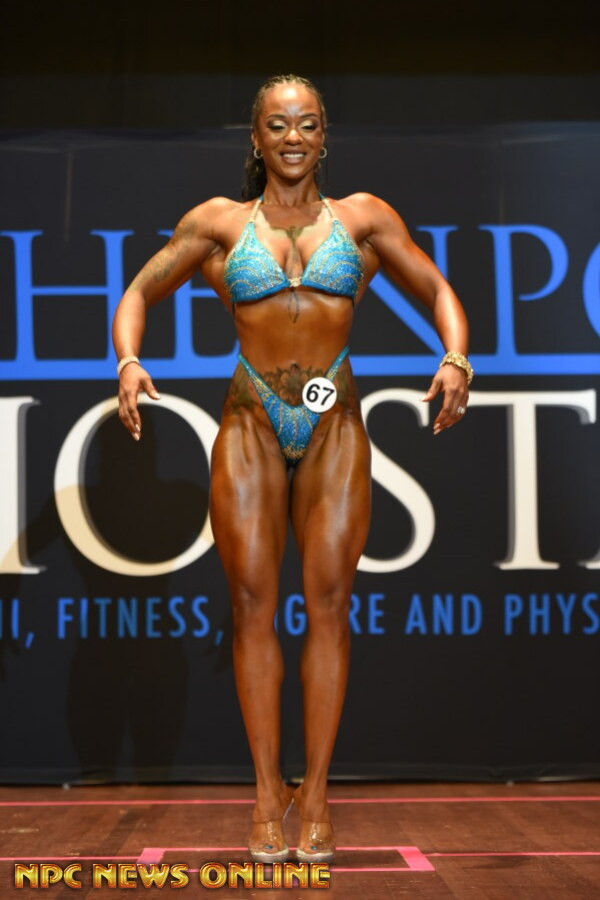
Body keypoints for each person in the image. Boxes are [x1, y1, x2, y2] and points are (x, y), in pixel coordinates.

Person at [112, 73, 472, 863]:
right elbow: (138, 291)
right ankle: (265, 793)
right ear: (256, 139)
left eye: (306, 123)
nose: (293, 137)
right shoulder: (219, 223)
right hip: (251, 419)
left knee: (331, 605)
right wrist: (129, 361)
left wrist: (456, 357)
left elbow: (437, 288)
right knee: (251, 605)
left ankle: (316, 796)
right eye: (277, 125)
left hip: (335, 421)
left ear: (324, 135)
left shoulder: (364, 218)